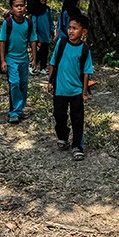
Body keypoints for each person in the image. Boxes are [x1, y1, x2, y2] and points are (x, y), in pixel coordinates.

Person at [47, 14, 93, 161]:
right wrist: (50, 81)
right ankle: (63, 136)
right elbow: (53, 63)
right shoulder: (61, 43)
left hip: (76, 91)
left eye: (75, 28)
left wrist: (84, 92)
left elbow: (86, 73)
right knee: (59, 115)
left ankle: (77, 146)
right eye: (69, 28)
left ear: (83, 32)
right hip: (60, 88)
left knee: (77, 118)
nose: (71, 31)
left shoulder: (84, 50)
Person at [0, 0, 37, 124]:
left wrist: (34, 59)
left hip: (24, 59)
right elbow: (2, 42)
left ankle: (19, 110)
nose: (20, 8)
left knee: (23, 85)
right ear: (11, 9)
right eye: (17, 6)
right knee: (14, 83)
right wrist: (3, 61)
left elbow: (32, 40)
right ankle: (14, 112)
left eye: (22, 5)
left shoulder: (29, 23)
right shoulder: (8, 23)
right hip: (11, 58)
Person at [30, 0, 55, 75]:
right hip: (38, 36)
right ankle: (33, 65)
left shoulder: (47, 10)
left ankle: (43, 67)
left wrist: (52, 31)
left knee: (45, 52)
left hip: (46, 35)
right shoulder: (35, 10)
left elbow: (50, 21)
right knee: (39, 52)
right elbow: (33, 24)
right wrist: (34, 35)